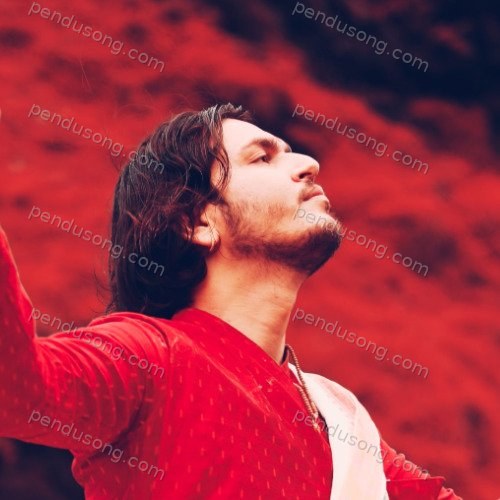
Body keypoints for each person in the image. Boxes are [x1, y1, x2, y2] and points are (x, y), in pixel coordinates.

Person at [0, 104, 460, 499]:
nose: (309, 163)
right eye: (262, 158)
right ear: (196, 223)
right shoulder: (147, 355)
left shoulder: (339, 420)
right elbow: (14, 389)